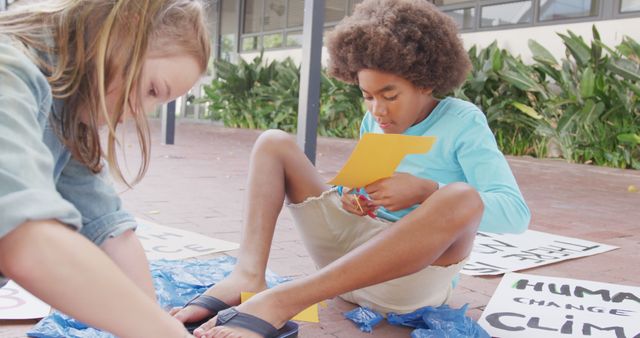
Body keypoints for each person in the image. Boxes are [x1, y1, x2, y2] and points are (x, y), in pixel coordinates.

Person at [172, 0, 531, 337]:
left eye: (390, 96)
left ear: (425, 81)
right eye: (367, 96)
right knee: (273, 143)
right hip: (347, 264)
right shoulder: (373, 122)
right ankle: (247, 276)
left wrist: (427, 192)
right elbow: (355, 185)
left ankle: (284, 300)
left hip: (407, 281)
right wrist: (353, 198)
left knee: (462, 197)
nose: (378, 111)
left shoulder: (463, 122)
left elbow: (515, 215)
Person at [0, 0, 210, 337]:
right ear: (125, 28)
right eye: (151, 91)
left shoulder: (66, 107)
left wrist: (158, 321)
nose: (135, 115)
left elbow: (111, 231)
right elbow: (27, 243)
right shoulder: (8, 71)